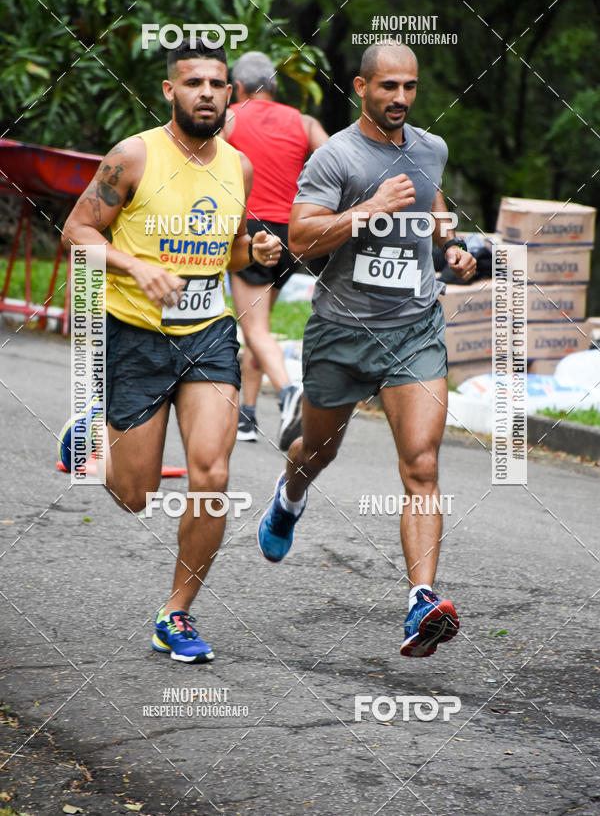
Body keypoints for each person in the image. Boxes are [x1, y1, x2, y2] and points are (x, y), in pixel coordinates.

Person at [58, 39, 281, 663]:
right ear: (170, 91)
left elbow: (232, 249)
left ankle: (175, 614)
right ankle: (91, 440)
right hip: (133, 333)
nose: (206, 93)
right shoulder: (133, 155)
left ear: (230, 94)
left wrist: (256, 255)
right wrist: (135, 267)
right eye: (193, 83)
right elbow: (79, 230)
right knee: (136, 495)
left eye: (217, 83)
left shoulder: (238, 166)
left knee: (212, 474)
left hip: (209, 332)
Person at [257, 42, 477, 658]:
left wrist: (449, 250)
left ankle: (421, 601)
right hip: (342, 332)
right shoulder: (336, 156)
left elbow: (433, 212)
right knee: (318, 451)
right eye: (389, 88)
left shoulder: (432, 149)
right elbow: (301, 238)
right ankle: (289, 497)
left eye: (410, 87)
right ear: (361, 87)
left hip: (415, 329)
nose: (401, 99)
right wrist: (367, 210)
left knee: (423, 465)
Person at [220, 51, 328, 448]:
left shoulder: (230, 117)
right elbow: (338, 159)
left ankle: (288, 392)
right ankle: (246, 417)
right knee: (258, 324)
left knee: (255, 329)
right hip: (292, 235)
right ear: (276, 88)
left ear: (240, 88)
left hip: (249, 233)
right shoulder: (304, 122)